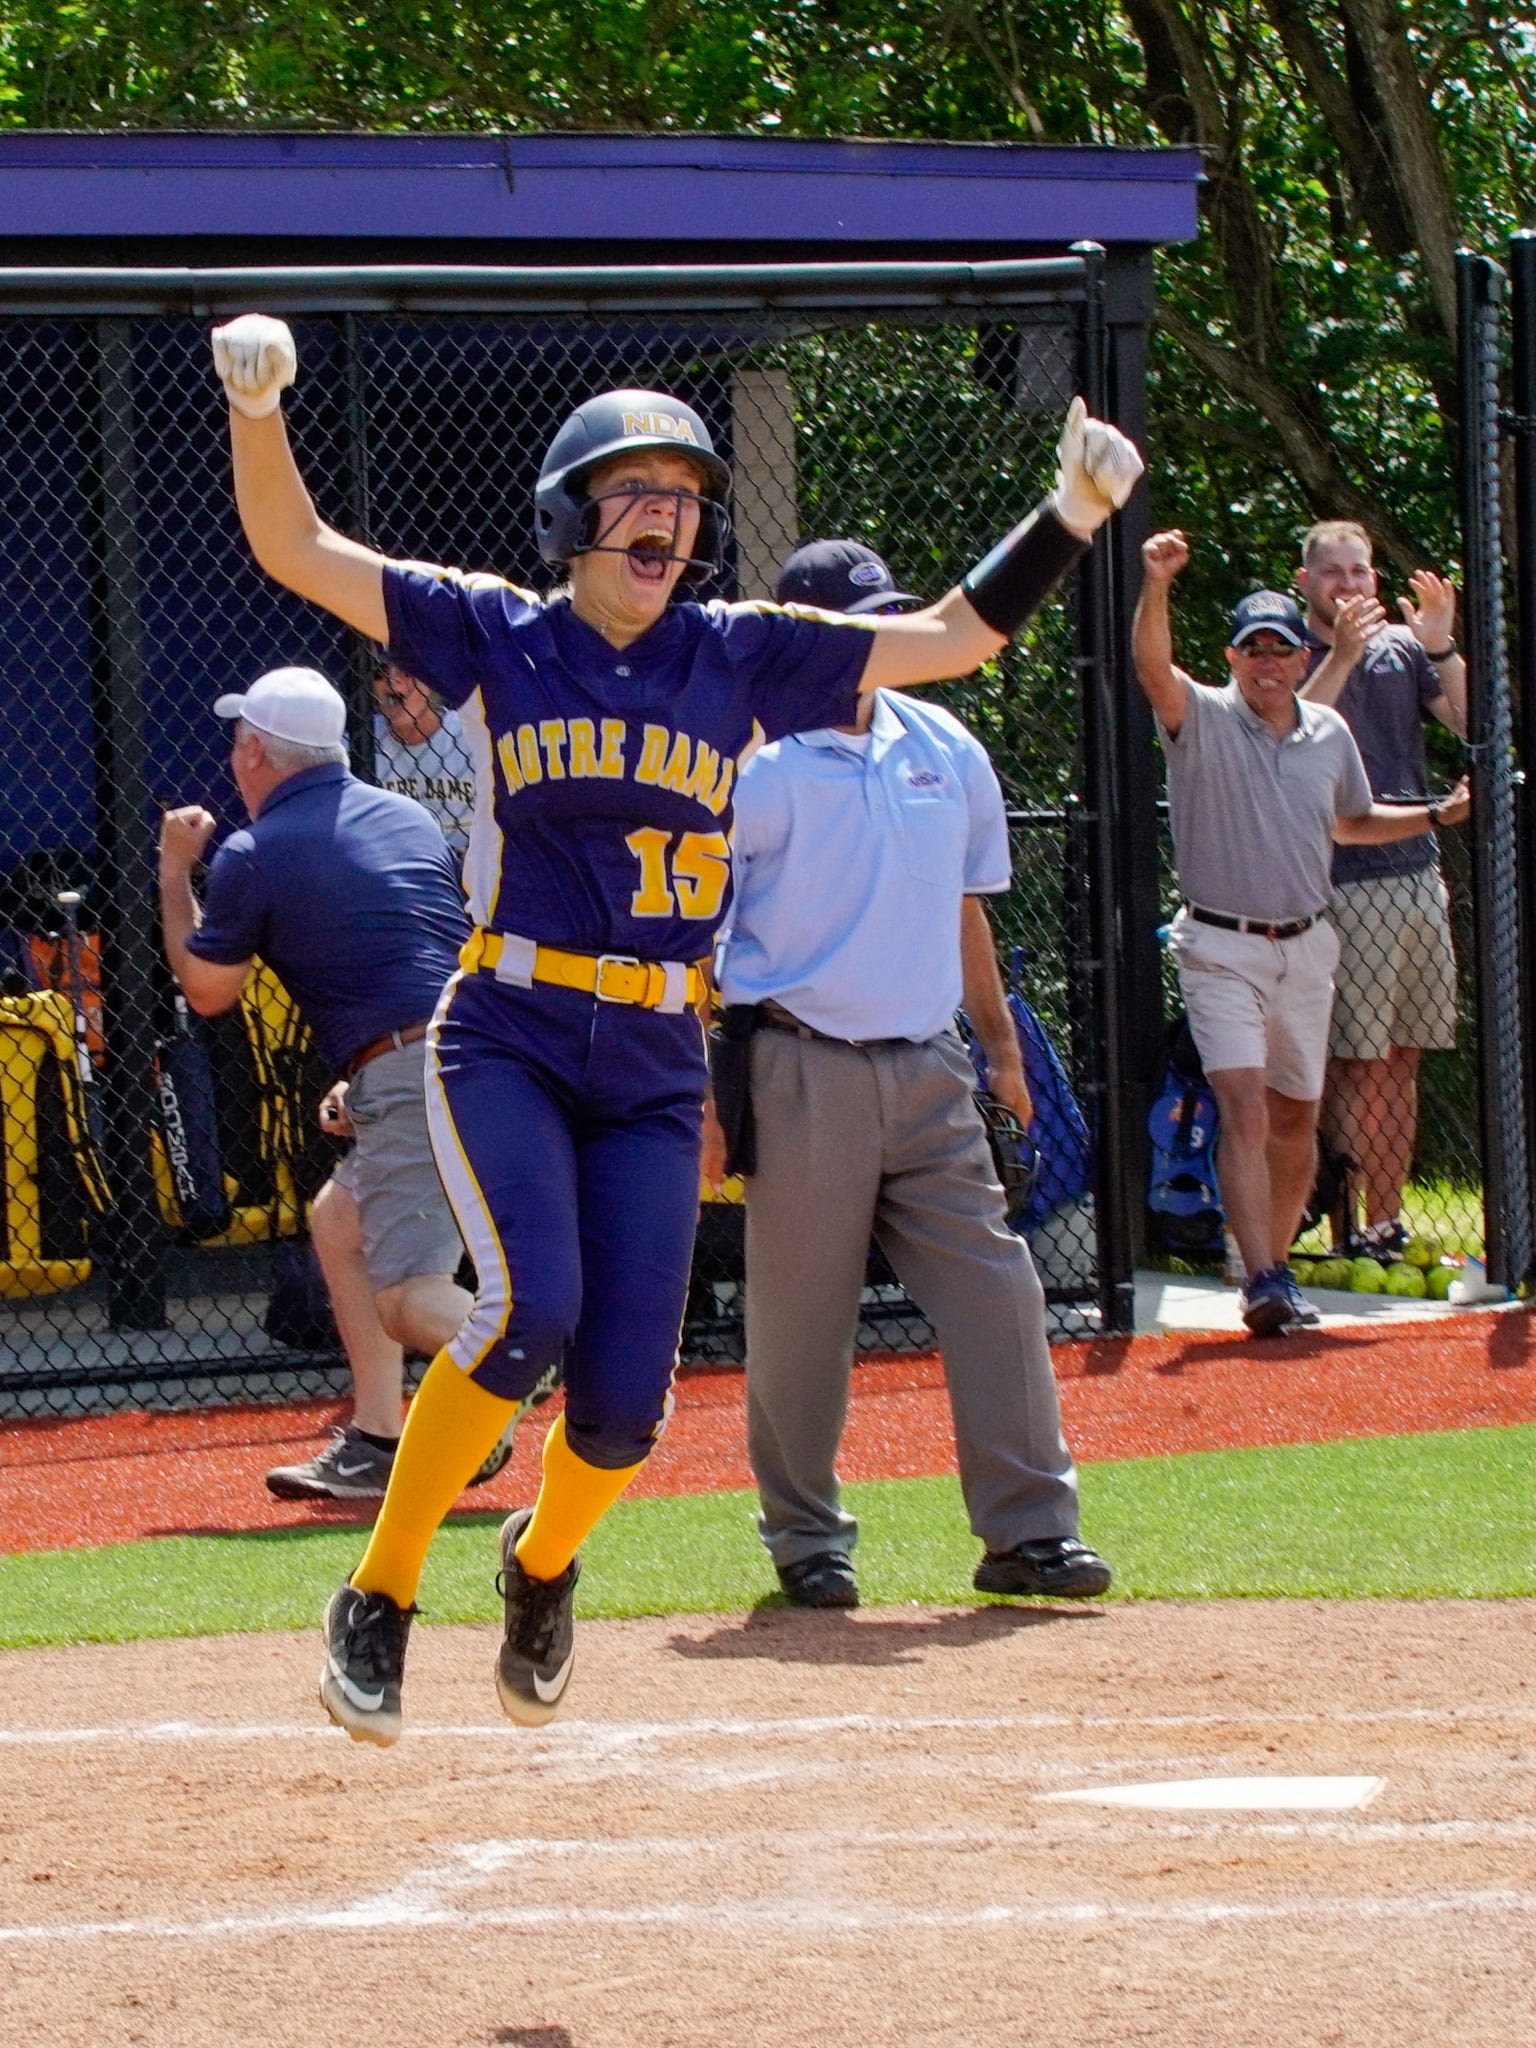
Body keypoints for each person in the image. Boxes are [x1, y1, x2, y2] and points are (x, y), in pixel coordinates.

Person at [209, 308, 1141, 1747]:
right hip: (510, 1025)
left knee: (631, 1407)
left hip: (652, 1056)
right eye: (635, 492)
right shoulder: (502, 631)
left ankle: (540, 1567)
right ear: (571, 517)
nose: (666, 515)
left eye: (686, 497)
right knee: (528, 1317)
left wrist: (1070, 511)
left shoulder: (739, 652)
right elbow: (295, 549)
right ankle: (381, 1596)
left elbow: (951, 638)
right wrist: (257, 407)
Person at [709, 538, 1111, 1610]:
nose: (878, 637)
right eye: (853, 623)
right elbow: (696, 929)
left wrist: (1006, 1049)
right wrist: (707, 1092)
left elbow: (966, 907)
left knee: (998, 1288)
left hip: (932, 1064)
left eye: (887, 615)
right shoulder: (751, 765)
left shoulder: (943, 742)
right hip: (799, 1061)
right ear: (797, 633)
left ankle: (1028, 1528)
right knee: (802, 1318)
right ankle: (805, 1537)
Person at [157, 665, 517, 1500]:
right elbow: (411, 952)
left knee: (408, 1298)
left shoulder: (251, 851)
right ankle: (381, 1438)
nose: (233, 755)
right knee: (338, 1221)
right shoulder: (405, 816)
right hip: (478, 1046)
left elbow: (209, 993)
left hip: (416, 1063)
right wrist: (367, 1077)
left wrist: (176, 872)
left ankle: (525, 1363)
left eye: (238, 741)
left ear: (254, 752)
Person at [1132, 533, 1469, 1338]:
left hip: (1307, 944)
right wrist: (1156, 585)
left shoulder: (1325, 732)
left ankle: (1266, 1265)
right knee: (1243, 1108)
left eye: (1280, 649)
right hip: (1221, 946)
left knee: (1294, 1118)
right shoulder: (1203, 717)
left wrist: (1434, 814)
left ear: (1296, 655)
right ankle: (1267, 1280)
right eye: (1253, 650)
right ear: (1234, 658)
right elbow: (1152, 669)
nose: (1268, 664)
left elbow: (1350, 822)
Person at [1295, 521, 1466, 1255]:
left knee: (1404, 1058)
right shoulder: (1287, 649)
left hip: (1417, 875)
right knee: (1354, 1061)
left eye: (1360, 572)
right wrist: (1345, 652)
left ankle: (1386, 1226)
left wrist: (1442, 644)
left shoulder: (1403, 648)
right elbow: (1297, 733)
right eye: (1333, 574)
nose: (1350, 586)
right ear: (1307, 584)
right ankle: (1343, 1230)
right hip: (1343, 883)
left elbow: (1466, 723)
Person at [371, 662, 477, 856]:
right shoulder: (359, 740)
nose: (394, 683)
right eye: (381, 672)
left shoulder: (471, 735)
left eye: (407, 671)